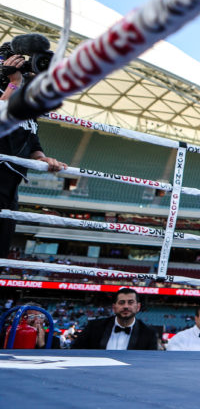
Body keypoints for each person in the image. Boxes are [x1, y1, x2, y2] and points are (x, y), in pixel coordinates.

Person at [0, 50, 67, 253]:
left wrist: (42, 158)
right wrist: (14, 83)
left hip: (11, 186)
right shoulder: (9, 92)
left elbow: (32, 139)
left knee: (1, 250)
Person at [72, 287, 160, 350]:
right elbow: (75, 352)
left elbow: (150, 363)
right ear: (114, 307)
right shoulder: (94, 327)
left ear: (138, 307)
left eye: (130, 302)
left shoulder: (149, 334)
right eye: (121, 303)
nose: (126, 306)